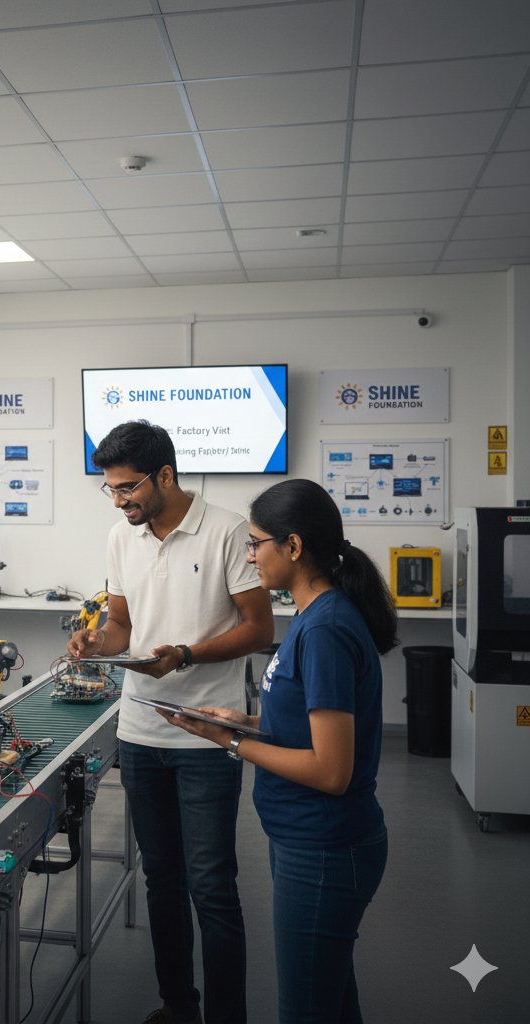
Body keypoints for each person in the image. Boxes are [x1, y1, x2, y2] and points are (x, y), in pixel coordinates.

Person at [157, 478, 394, 1024]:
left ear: (292, 547)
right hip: (311, 840)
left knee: (308, 1010)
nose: (249, 555)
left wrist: (231, 742)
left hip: (325, 847)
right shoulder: (313, 617)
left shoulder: (327, 628)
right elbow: (309, 727)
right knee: (334, 1003)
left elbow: (331, 770)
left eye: (256, 542)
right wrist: (246, 721)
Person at [68, 420, 274, 1024]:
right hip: (138, 733)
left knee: (211, 886)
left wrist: (185, 655)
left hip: (205, 737)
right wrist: (94, 643)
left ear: (165, 475)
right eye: (110, 489)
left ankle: (226, 1015)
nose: (120, 500)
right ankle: (178, 1005)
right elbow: (123, 629)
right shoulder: (120, 537)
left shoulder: (229, 531)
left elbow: (260, 629)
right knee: (161, 879)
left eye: (128, 487)